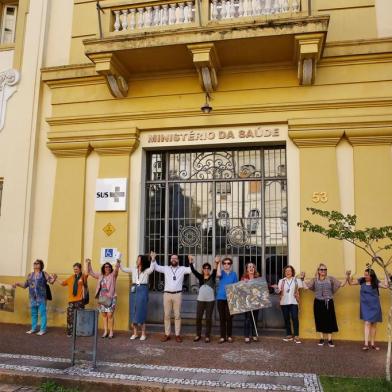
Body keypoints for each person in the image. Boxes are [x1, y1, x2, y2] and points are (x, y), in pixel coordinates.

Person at [303, 263, 348, 347]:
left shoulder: (330, 279)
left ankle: (330, 339)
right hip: (318, 302)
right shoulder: (314, 280)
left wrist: (347, 276)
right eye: (321, 269)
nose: (323, 271)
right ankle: (321, 338)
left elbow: (341, 284)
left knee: (329, 320)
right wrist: (302, 278)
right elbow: (306, 287)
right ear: (318, 271)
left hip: (328, 302)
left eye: (325, 269)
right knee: (319, 320)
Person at [151, 254, 191, 342]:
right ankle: (167, 334)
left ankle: (177, 335)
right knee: (167, 315)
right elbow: (156, 267)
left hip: (177, 294)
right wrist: (153, 259)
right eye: (172, 258)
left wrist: (191, 261)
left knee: (177, 315)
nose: (174, 259)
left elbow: (191, 270)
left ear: (178, 260)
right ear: (170, 260)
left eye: (175, 258)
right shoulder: (166, 268)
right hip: (167, 295)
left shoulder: (182, 269)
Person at [347, 268, 388, 350]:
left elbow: (386, 286)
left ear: (371, 276)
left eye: (367, 275)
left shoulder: (376, 282)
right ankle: (366, 344)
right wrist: (348, 275)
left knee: (373, 325)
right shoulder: (362, 280)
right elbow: (350, 283)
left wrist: (386, 276)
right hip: (365, 306)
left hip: (375, 306)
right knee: (367, 323)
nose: (365, 276)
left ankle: (372, 344)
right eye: (364, 274)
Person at [13, 259, 56, 335]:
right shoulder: (30, 275)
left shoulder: (44, 274)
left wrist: (54, 278)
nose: (35, 264)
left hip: (41, 297)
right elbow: (25, 285)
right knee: (33, 314)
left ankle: (42, 330)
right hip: (32, 298)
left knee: (42, 313)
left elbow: (51, 282)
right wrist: (17, 284)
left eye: (37, 263)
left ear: (41, 265)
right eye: (34, 263)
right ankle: (33, 328)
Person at [119, 252, 155, 341]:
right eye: (137, 259)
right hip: (134, 289)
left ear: (142, 261)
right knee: (133, 311)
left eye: (138, 259)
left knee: (141, 311)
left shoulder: (146, 270)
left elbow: (152, 268)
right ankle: (135, 333)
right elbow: (123, 269)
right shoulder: (134, 269)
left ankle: (143, 333)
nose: (137, 260)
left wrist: (153, 259)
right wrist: (119, 260)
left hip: (142, 289)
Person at [86, 257, 120, 339]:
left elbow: (116, 271)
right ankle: (105, 331)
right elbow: (91, 273)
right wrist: (88, 263)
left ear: (110, 268)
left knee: (110, 315)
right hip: (102, 298)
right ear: (103, 268)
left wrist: (118, 263)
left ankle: (111, 332)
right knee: (104, 315)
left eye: (108, 267)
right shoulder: (100, 276)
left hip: (111, 297)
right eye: (105, 267)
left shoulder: (113, 276)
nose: (107, 268)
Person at [188, 255, 218, 343]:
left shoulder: (212, 277)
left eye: (208, 268)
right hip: (200, 300)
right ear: (203, 269)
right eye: (205, 268)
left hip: (210, 301)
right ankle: (198, 335)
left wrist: (216, 262)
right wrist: (190, 261)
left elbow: (215, 270)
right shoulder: (200, 277)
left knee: (208, 318)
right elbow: (193, 270)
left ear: (210, 269)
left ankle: (207, 336)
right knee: (198, 318)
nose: (206, 269)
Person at [55, 262, 89, 337]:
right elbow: (63, 283)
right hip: (71, 301)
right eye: (74, 269)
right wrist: (56, 279)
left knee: (80, 317)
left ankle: (79, 331)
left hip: (80, 300)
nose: (75, 270)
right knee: (70, 317)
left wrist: (87, 263)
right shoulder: (71, 277)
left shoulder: (83, 277)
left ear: (80, 269)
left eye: (76, 269)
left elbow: (86, 273)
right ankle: (70, 332)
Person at [273, 265, 304, 344]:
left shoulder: (296, 280)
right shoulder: (281, 281)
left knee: (295, 318)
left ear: (292, 272)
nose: (288, 272)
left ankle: (296, 336)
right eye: (286, 271)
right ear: (284, 272)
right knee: (286, 319)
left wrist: (302, 278)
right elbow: (278, 291)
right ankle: (289, 335)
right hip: (284, 302)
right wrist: (276, 289)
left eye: (289, 271)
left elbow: (302, 286)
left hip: (294, 302)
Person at [216, 256, 238, 343]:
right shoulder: (221, 272)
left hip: (230, 298)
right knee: (222, 318)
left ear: (231, 265)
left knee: (229, 318)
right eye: (224, 263)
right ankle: (222, 336)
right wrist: (218, 263)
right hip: (221, 298)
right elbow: (218, 275)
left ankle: (229, 336)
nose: (226, 265)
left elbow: (236, 286)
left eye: (228, 263)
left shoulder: (234, 274)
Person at [241, 262, 261, 343]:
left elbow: (261, 289)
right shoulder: (243, 278)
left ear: (254, 269)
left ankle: (254, 335)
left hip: (256, 301)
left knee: (254, 319)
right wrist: (244, 283)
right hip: (247, 302)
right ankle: (246, 336)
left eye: (253, 267)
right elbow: (240, 290)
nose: (251, 268)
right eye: (249, 267)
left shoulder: (258, 278)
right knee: (247, 319)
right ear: (247, 269)